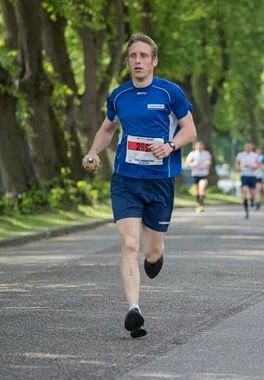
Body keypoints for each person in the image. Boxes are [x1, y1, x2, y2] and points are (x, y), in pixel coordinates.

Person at [82, 33, 197, 338]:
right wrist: (93, 151)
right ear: (128, 61)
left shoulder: (170, 93)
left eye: (144, 56)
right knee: (129, 244)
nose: (138, 61)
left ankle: (156, 255)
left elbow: (190, 130)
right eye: (133, 56)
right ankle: (134, 310)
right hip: (126, 180)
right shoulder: (119, 96)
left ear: (154, 61)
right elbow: (108, 129)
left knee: (151, 249)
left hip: (160, 181)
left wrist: (171, 145)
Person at [235, 142, 260, 219]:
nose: (248, 148)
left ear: (252, 147)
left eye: (249, 146)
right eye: (246, 146)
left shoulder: (255, 155)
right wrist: (238, 168)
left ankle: (252, 200)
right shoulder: (240, 155)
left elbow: (259, 165)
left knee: (253, 193)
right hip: (244, 175)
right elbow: (237, 164)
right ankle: (246, 211)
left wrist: (254, 167)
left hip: (253, 176)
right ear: (244, 147)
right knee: (245, 191)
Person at [185, 141, 212, 212]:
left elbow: (209, 162)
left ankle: (201, 204)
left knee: (201, 189)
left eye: (201, 146)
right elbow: (187, 163)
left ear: (203, 146)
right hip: (195, 174)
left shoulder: (206, 154)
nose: (199, 147)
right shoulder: (192, 154)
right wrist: (193, 164)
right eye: (198, 146)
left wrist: (207, 164)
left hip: (204, 174)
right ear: (195, 147)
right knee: (197, 191)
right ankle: (198, 203)